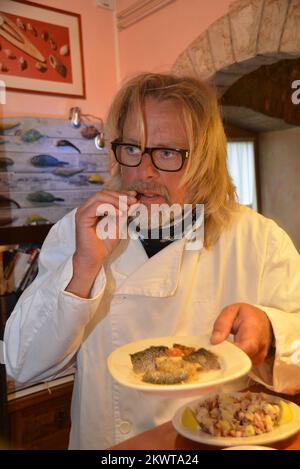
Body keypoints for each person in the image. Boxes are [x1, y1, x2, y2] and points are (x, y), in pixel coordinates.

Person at [4, 73, 300, 450]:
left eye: (166, 153)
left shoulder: (258, 240)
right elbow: (20, 362)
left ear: (205, 161)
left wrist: (272, 333)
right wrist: (83, 269)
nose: (143, 172)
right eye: (131, 148)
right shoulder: (80, 230)